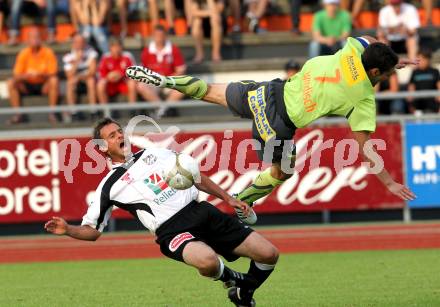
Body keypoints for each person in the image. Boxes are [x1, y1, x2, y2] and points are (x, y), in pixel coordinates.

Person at [126, 35, 417, 224]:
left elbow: (372, 42)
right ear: (376, 73)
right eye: (388, 72)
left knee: (207, 91)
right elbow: (366, 149)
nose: (390, 75)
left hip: (266, 92)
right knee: (283, 172)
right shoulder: (363, 99)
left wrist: (393, 59)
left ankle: (166, 81)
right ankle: (242, 205)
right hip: (277, 127)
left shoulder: (355, 48)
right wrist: (389, 183)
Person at [45, 117, 279, 307]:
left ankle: (242, 294)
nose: (120, 136)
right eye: (112, 135)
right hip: (172, 231)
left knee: (269, 254)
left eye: (120, 131)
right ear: (103, 148)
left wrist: (228, 198)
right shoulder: (108, 187)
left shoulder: (154, 154)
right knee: (207, 262)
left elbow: (194, 177)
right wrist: (68, 230)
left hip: (201, 212)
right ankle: (231, 278)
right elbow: (92, 231)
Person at [7, 28, 59, 124]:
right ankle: (18, 114)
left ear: (41, 39)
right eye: (32, 37)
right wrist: (26, 76)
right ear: (28, 40)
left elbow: (53, 73)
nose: (35, 40)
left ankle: (52, 113)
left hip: (44, 85)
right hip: (27, 85)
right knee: (11, 82)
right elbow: (16, 75)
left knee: (54, 80)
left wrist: (40, 74)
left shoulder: (48, 52)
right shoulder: (23, 53)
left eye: (37, 37)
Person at [137, 25, 186, 118]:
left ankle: (161, 111)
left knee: (184, 86)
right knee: (141, 85)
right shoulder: (147, 51)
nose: (159, 38)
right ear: (153, 36)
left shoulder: (173, 49)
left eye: (161, 35)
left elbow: (181, 70)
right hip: (153, 81)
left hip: (169, 80)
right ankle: (163, 110)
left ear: (165, 36)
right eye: (157, 36)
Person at [63, 32, 99, 122]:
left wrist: (79, 77)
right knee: (70, 83)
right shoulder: (68, 56)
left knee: (91, 81)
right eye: (77, 42)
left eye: (82, 42)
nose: (80, 44)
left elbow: (92, 71)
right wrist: (77, 60)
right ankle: (73, 112)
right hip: (75, 80)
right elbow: (69, 75)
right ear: (73, 43)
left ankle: (93, 111)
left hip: (86, 78)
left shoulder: (91, 52)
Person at [97, 37, 137, 106]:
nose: (116, 49)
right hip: (110, 83)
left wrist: (121, 74)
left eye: (118, 46)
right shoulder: (105, 57)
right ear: (110, 48)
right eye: (114, 46)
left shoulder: (127, 56)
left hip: (123, 82)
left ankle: (132, 109)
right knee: (100, 85)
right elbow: (100, 73)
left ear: (122, 47)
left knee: (132, 83)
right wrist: (108, 77)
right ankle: (105, 111)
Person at [407, 48, 440, 114]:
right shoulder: (415, 72)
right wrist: (411, 104)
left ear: (428, 59)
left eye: (422, 59)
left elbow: (439, 87)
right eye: (418, 60)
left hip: (432, 105)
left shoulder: (434, 72)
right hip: (418, 105)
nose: (420, 62)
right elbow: (411, 88)